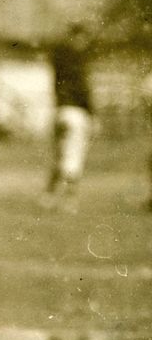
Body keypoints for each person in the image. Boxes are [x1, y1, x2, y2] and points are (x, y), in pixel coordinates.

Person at [45, 23, 93, 207]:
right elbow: (83, 90)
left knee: (61, 153)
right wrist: (91, 111)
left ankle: (49, 195)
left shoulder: (60, 59)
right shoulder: (77, 61)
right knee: (74, 154)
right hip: (76, 111)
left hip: (61, 110)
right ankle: (69, 197)